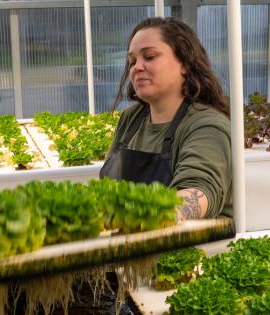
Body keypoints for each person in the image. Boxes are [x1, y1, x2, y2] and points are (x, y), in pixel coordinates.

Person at [99, 17, 233, 220]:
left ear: (185, 64)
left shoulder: (207, 125)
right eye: (132, 61)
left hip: (194, 248)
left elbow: (199, 190)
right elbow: (108, 190)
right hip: (134, 243)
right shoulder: (132, 119)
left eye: (150, 57)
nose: (137, 68)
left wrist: (155, 219)